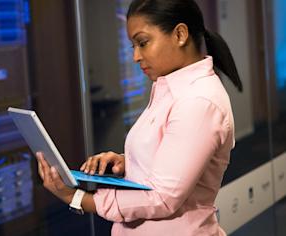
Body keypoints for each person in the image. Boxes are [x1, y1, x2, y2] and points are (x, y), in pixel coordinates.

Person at [35, 0, 242, 235]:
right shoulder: (170, 89)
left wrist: (77, 198)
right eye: (133, 45)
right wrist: (128, 162)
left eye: (143, 43)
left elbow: (162, 198)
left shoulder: (198, 101)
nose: (135, 56)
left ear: (180, 34)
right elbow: (172, 157)